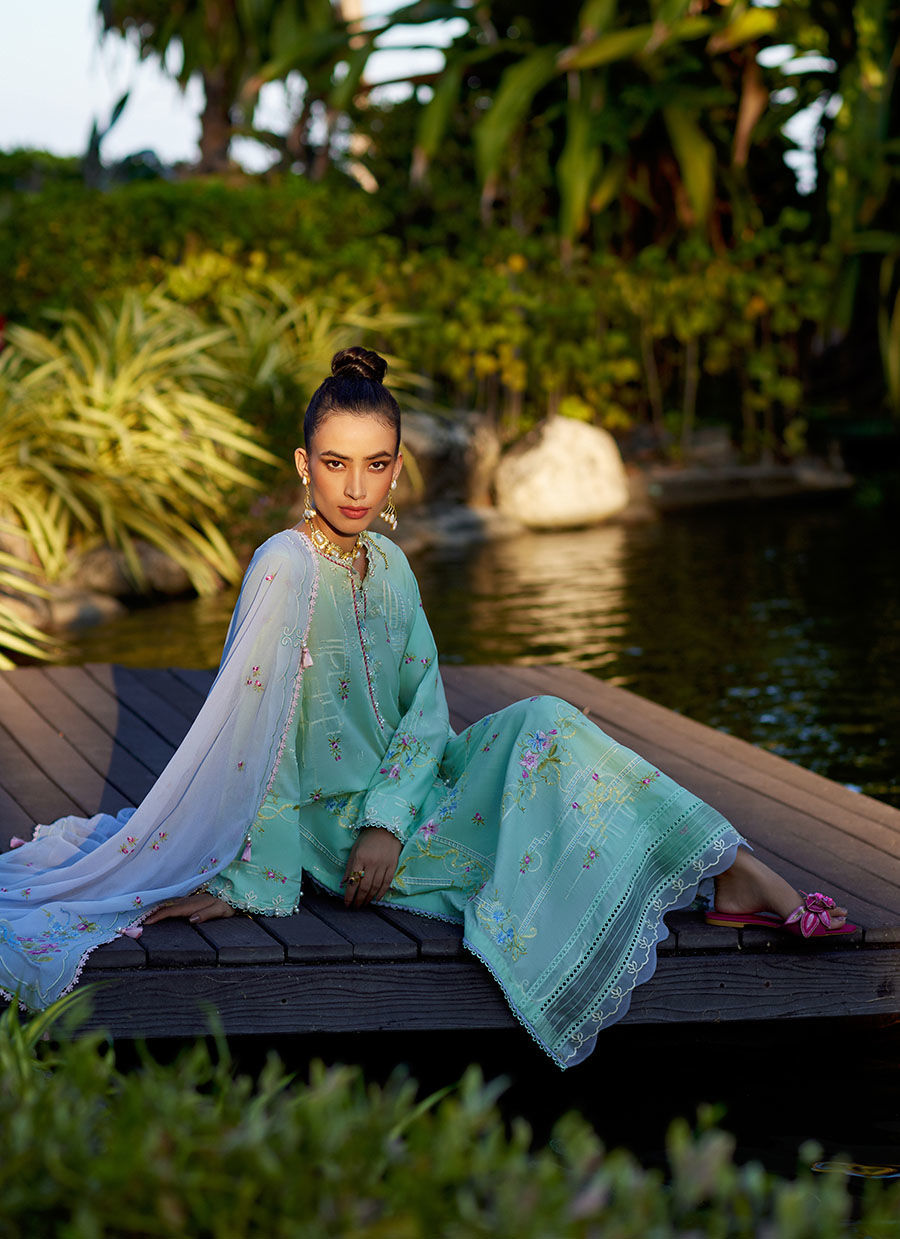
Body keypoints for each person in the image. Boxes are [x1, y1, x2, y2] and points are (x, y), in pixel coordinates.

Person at [0, 347, 855, 1067]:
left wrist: (393, 814)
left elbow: (425, 710)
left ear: (399, 467)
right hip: (336, 829)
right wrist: (260, 873)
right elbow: (256, 733)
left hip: (409, 796)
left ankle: (724, 860)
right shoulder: (284, 566)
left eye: (376, 464)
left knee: (547, 717)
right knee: (541, 815)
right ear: (302, 464)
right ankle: (734, 876)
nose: (355, 487)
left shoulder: (392, 565)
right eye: (335, 463)